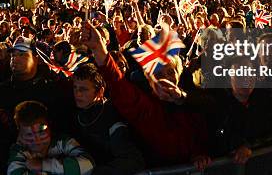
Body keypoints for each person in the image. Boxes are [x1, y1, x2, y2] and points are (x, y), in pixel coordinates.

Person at [81, 21, 210, 169]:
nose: (166, 77)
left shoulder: (192, 99)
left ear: (179, 73)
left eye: (170, 71)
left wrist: (199, 154)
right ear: (149, 79)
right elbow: (119, 84)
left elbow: (209, 119)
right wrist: (99, 49)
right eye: (159, 74)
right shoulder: (145, 105)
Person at [72, 63, 144, 174]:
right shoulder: (78, 114)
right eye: (75, 88)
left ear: (100, 91)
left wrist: (95, 172)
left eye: (84, 89)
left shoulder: (112, 116)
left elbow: (131, 160)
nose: (77, 94)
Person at [0, 36, 71, 132]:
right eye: (13, 55)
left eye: (22, 54)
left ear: (36, 59)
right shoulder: (1, 91)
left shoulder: (51, 90)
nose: (15, 58)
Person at [8, 100, 94, 175]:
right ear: (20, 135)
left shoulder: (61, 141)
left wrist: (43, 165)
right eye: (29, 134)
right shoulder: (18, 151)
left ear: (49, 127)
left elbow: (88, 165)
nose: (37, 140)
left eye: (41, 132)